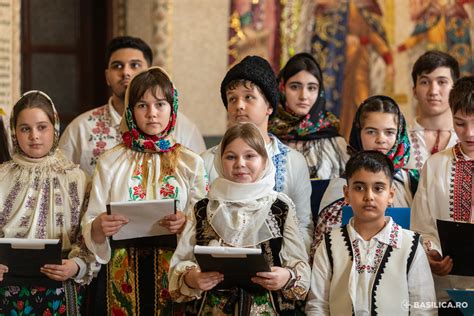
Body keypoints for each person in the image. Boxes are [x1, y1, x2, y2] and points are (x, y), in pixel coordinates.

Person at [82, 67, 208, 315]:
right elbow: (91, 218)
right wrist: (98, 228)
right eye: (142, 105)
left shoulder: (191, 162)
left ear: (172, 109)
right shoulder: (110, 161)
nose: (152, 114)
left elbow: (206, 220)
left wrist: (186, 222)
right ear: (130, 111)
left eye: (160, 104)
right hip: (120, 272)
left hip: (175, 268)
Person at [169, 122, 310, 315]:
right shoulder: (202, 208)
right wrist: (192, 278)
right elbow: (180, 263)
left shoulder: (280, 207)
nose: (240, 164)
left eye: (250, 156)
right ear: (219, 160)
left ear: (264, 160)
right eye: (230, 157)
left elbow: (299, 265)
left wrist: (286, 276)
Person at [201, 55, 313, 250]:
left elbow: (303, 225)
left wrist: (287, 270)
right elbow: (197, 222)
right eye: (232, 99)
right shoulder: (207, 161)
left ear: (269, 106)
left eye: (249, 97)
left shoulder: (293, 162)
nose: (239, 106)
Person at [0, 91, 97, 315]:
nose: (34, 136)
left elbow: (89, 238)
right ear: (14, 132)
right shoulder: (2, 177)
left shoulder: (78, 179)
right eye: (25, 129)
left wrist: (76, 266)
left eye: (42, 127)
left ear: (55, 127)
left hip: (62, 288)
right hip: (8, 290)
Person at [306, 150, 436, 315]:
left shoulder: (411, 244)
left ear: (391, 195)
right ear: (347, 194)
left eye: (378, 188)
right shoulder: (330, 243)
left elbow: (424, 308)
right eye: (359, 188)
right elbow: (317, 305)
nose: (369, 196)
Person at [59, 35, 206, 177]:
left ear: (149, 72)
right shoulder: (80, 129)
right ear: (107, 77)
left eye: (135, 65)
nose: (126, 72)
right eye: (117, 66)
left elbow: (200, 184)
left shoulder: (184, 129)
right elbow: (61, 182)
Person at [313, 95, 416, 253]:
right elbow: (323, 248)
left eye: (389, 132)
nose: (380, 139)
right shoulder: (341, 185)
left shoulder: (411, 181)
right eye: (371, 132)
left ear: (399, 134)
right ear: (358, 133)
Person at [411, 76, 474, 315]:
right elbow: (423, 225)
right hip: (448, 291)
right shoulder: (436, 165)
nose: (469, 133)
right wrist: (431, 252)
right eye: (459, 124)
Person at [269, 52, 349, 179]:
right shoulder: (266, 137)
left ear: (320, 92)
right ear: (282, 88)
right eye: (295, 87)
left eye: (311, 88)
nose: (303, 96)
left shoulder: (335, 143)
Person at [405, 50, 460, 170]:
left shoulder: (469, 138)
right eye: (425, 82)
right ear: (414, 91)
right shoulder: (399, 141)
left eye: (442, 82)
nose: (433, 91)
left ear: (455, 89)